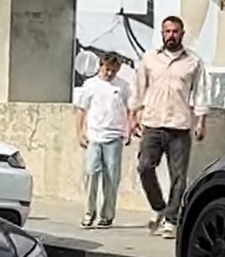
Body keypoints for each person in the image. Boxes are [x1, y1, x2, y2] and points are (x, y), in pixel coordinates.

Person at [128, 15, 209, 239]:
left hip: (179, 126)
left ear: (182, 34)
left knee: (179, 176)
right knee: (144, 167)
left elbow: (200, 92)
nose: (171, 35)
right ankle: (160, 208)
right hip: (153, 123)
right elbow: (138, 88)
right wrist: (132, 116)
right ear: (162, 33)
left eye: (175, 31)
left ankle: (171, 220)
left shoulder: (193, 61)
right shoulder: (150, 59)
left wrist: (201, 121)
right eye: (167, 31)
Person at [75, 52, 132, 228]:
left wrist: (128, 129)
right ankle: (89, 211)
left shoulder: (123, 86)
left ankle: (107, 214)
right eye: (107, 69)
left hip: (114, 136)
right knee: (91, 173)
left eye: (113, 71)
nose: (109, 73)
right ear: (101, 66)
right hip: (94, 135)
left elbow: (130, 109)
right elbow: (81, 110)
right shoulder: (90, 85)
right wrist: (80, 133)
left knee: (111, 176)